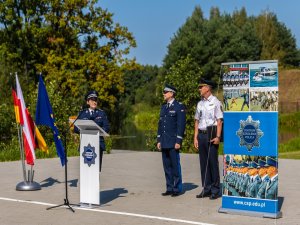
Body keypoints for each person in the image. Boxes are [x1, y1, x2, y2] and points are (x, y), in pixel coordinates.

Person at [194, 79, 223, 200]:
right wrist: (195, 137)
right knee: (203, 163)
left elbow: (219, 121)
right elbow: (196, 120)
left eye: (201, 87)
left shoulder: (216, 102)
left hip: (211, 134)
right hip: (201, 134)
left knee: (212, 163)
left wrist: (218, 137)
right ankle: (206, 188)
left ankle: (215, 190)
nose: (199, 89)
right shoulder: (199, 103)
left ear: (208, 88)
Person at [157, 84, 186, 197]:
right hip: (164, 141)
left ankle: (177, 188)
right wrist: (159, 140)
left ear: (171, 93)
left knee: (175, 166)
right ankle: (169, 187)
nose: (163, 94)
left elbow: (181, 125)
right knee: (167, 167)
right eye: (163, 92)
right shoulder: (164, 107)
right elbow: (160, 125)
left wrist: (178, 141)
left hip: (173, 141)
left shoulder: (179, 106)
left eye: (165, 92)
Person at [74, 90, 110, 172]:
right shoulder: (82, 114)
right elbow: (76, 128)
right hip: (85, 145)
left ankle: (95, 185)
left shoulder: (101, 114)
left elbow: (107, 127)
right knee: (86, 170)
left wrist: (97, 131)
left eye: (96, 100)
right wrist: (85, 131)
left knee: (96, 170)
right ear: (87, 102)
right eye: (92, 100)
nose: (94, 102)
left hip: (98, 144)